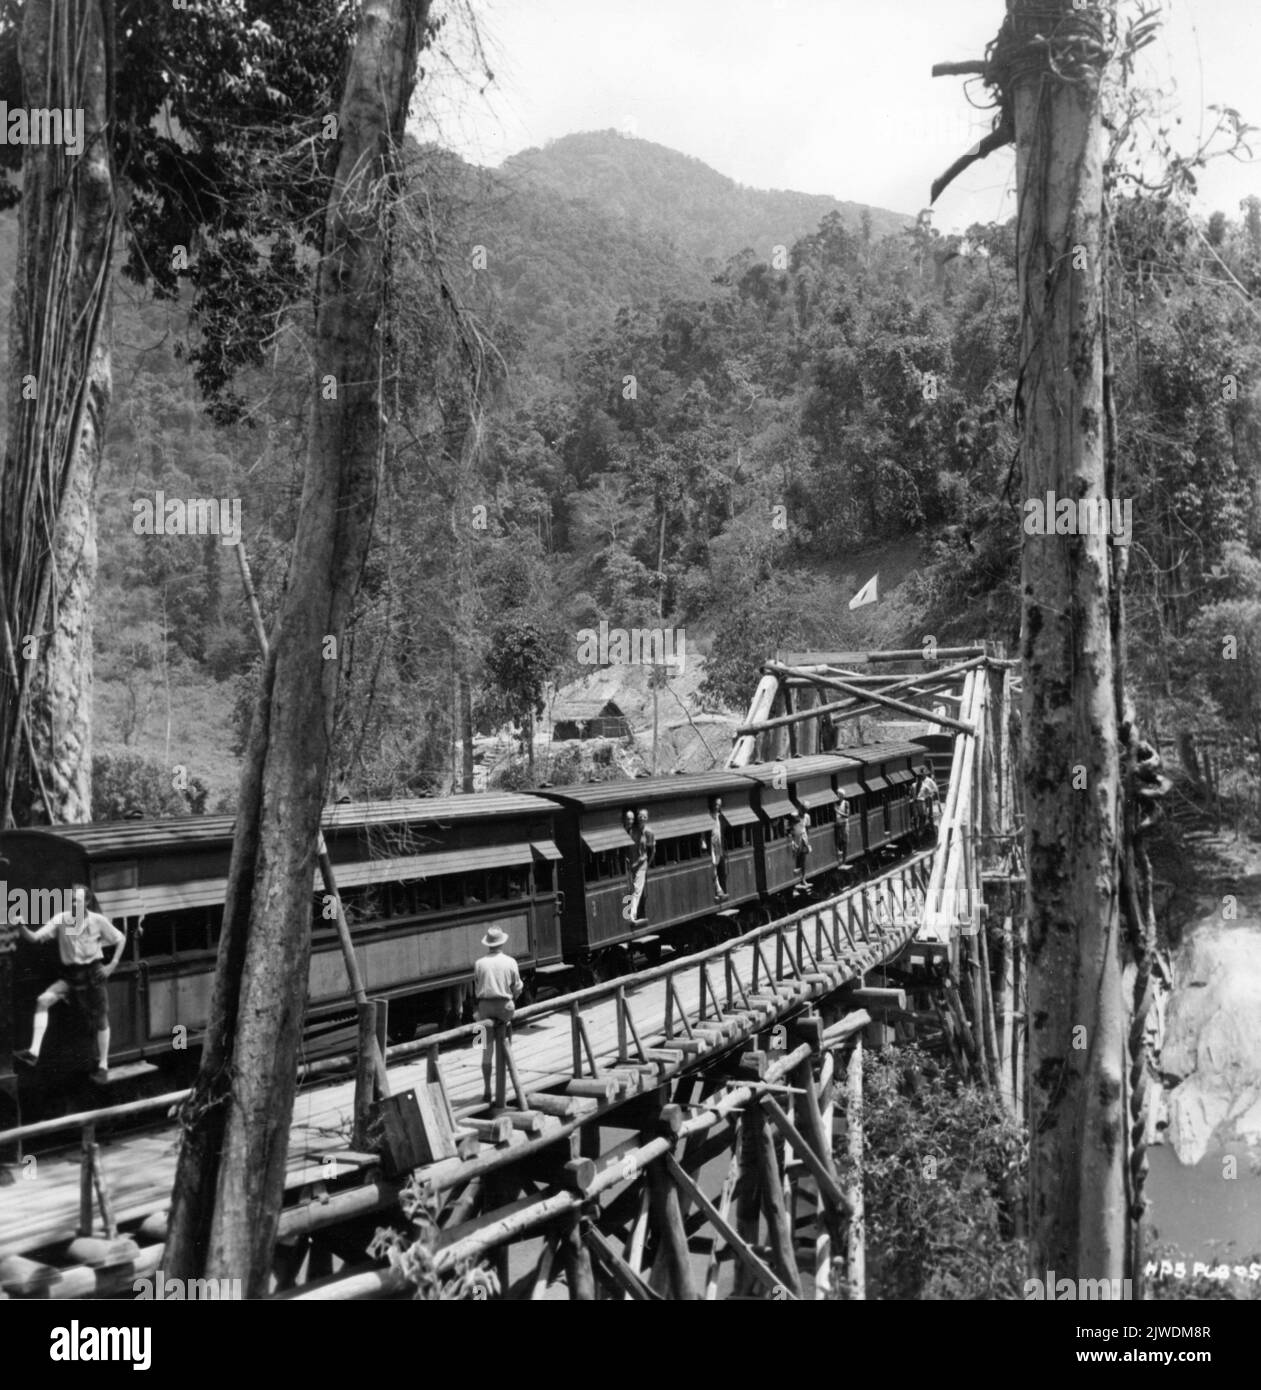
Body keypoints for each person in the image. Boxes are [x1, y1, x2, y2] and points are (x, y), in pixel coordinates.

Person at [15, 883, 125, 1082]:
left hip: (92, 975)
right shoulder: (61, 920)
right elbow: (34, 938)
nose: (73, 904)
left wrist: (111, 965)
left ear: (87, 902)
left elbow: (121, 938)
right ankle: (33, 1053)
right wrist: (21, 926)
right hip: (70, 977)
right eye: (71, 900)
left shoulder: (98, 920)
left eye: (77, 900)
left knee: (101, 1019)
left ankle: (103, 1065)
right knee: (43, 1001)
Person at [473, 926, 523, 1106]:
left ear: (488, 944)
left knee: (485, 1050)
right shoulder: (510, 961)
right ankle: (504, 1082)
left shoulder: (479, 963)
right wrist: (512, 997)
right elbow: (517, 987)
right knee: (505, 1039)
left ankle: (487, 1089)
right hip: (504, 1008)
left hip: (484, 1008)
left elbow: (477, 987)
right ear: (502, 942)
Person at [623, 808, 655, 923]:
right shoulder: (634, 831)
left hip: (641, 864)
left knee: (637, 889)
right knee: (631, 888)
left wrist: (646, 863)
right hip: (632, 863)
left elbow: (651, 851)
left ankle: (632, 915)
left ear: (647, 818)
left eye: (644, 816)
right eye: (640, 816)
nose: (642, 818)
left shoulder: (649, 832)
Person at [708, 797, 728, 902]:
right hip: (712, 844)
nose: (717, 807)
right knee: (714, 865)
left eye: (719, 805)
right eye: (716, 804)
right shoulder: (709, 816)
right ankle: (718, 889)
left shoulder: (720, 816)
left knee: (721, 866)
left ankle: (722, 890)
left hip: (719, 844)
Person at [914, 768, 940, 836]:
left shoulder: (929, 781)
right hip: (919, 800)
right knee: (920, 816)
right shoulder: (916, 783)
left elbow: (935, 789)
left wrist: (932, 796)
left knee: (924, 815)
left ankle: (921, 830)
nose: (922, 775)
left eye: (923, 774)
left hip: (926, 800)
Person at [789, 809, 811, 888]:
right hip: (795, 839)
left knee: (803, 859)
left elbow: (807, 829)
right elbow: (790, 831)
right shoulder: (793, 822)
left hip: (803, 838)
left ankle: (803, 879)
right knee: (797, 857)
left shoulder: (806, 817)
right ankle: (798, 876)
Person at [835, 793, 850, 865]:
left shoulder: (846, 803)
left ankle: (844, 860)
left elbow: (847, 815)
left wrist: (838, 812)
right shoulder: (835, 804)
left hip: (844, 824)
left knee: (845, 842)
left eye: (838, 795)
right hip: (838, 824)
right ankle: (839, 860)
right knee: (838, 842)